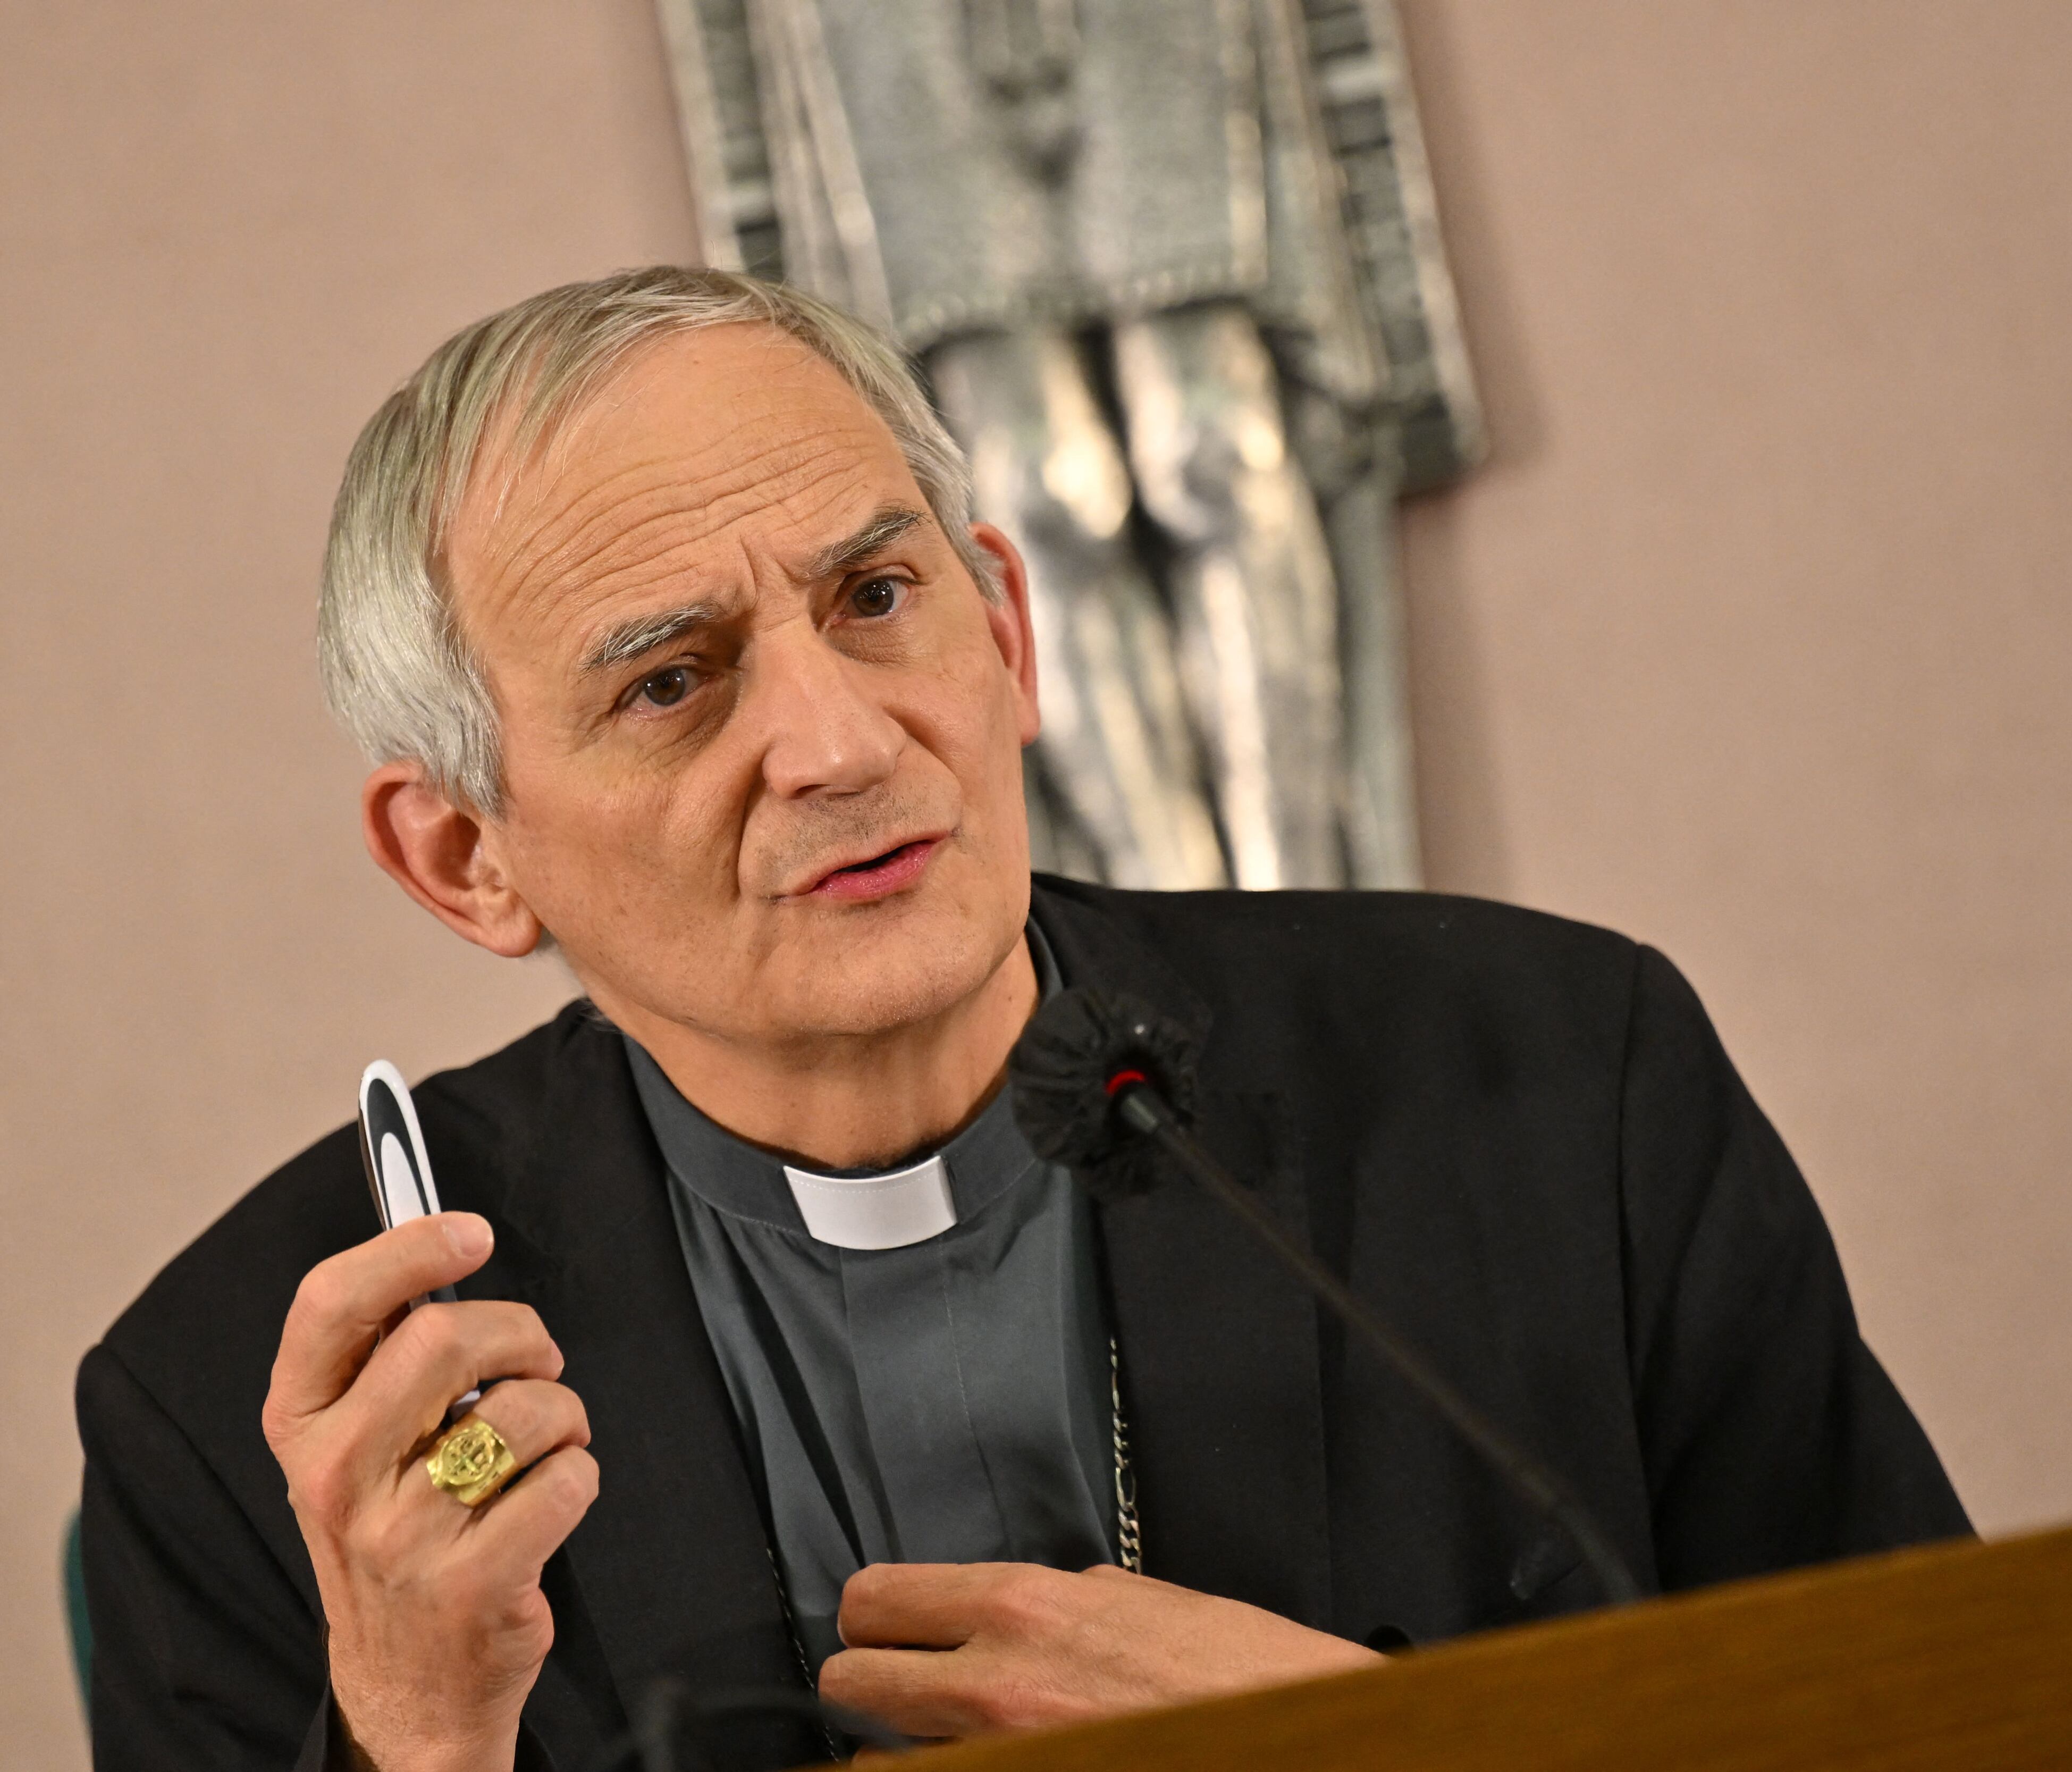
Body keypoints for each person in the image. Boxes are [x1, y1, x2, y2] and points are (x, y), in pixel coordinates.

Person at [75, 267, 1968, 1772]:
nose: (836, 743)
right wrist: (417, 1740)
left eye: (878, 597)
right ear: (469, 859)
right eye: (671, 684)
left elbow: (1949, 1732)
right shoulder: (246, 1402)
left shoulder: (1556, 1086)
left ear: (1005, 633)